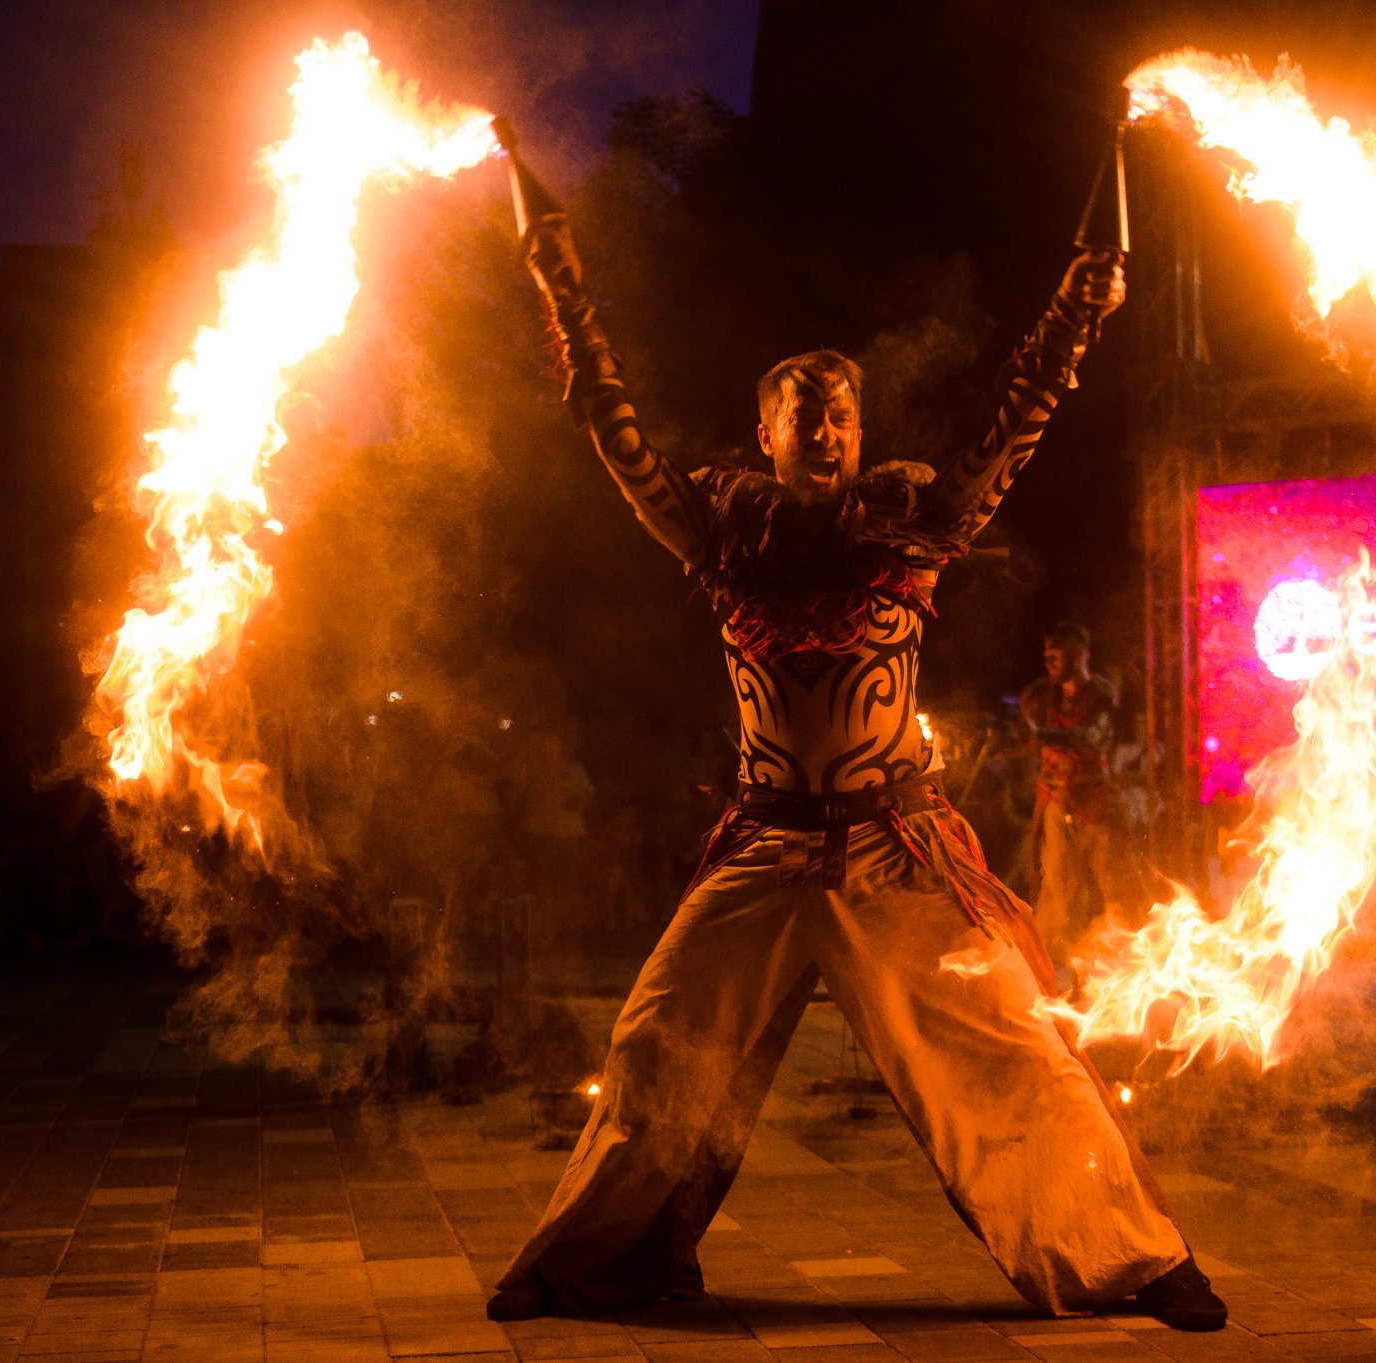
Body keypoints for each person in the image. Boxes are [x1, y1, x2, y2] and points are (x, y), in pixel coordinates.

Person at [485, 192, 1223, 1330]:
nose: (823, 434)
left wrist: (1081, 299)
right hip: (766, 844)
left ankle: (1135, 1258)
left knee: (1014, 1051)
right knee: (654, 1046)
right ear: (765, 433)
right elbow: (608, 422)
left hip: (893, 846)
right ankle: (601, 1257)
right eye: (801, 416)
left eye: (839, 418)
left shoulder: (916, 529)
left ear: (859, 435)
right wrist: (561, 291)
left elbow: (1021, 412)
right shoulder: (713, 533)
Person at [1019, 623, 1126, 967]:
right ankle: (1045, 966)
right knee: (1056, 889)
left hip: (1094, 802)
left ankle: (1124, 962)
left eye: (1057, 652)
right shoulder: (1039, 697)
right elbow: (1025, 737)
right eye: (1045, 653)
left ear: (1079, 653)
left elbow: (1093, 736)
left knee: (1113, 884)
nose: (1048, 659)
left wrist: (1042, 734)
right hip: (1054, 802)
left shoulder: (1100, 693)